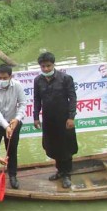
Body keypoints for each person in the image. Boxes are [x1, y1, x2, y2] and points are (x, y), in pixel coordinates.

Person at [33, 52, 78, 189]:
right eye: (43, 66)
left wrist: (71, 117)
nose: (46, 69)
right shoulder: (38, 80)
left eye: (48, 66)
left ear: (53, 64)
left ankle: (67, 175)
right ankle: (59, 171)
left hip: (64, 119)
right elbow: (37, 99)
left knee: (66, 146)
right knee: (53, 146)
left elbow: (73, 98)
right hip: (48, 119)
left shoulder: (65, 78)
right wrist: (36, 117)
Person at [0, 64, 27, 189]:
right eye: (0, 78)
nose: (2, 81)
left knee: (12, 151)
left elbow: (23, 104)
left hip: (13, 122)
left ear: (11, 76)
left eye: (5, 78)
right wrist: (6, 126)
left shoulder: (18, 86)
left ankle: (13, 176)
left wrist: (17, 119)